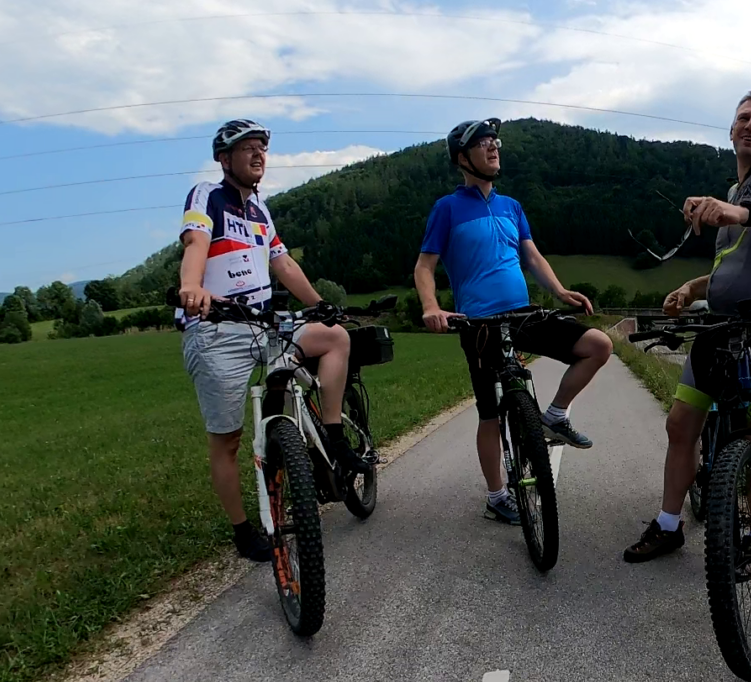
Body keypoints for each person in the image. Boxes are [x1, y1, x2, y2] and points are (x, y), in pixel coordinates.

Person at [622, 91, 751, 563]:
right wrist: (692, 288)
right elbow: (731, 266)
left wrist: (742, 213)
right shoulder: (734, 193)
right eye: (743, 119)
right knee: (680, 424)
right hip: (719, 326)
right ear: (731, 131)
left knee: (749, 431)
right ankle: (669, 525)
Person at [177, 118, 369, 562]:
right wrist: (192, 287)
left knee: (335, 338)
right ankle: (243, 530)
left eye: (262, 147)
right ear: (224, 159)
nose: (258, 154)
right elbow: (195, 243)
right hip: (217, 329)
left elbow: (283, 264)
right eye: (247, 147)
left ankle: (334, 436)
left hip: (265, 325)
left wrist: (321, 305)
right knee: (227, 440)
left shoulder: (261, 211)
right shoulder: (207, 195)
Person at [414, 118, 613, 525]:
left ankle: (555, 415)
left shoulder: (512, 206)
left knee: (598, 345)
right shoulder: (447, 208)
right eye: (482, 142)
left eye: (495, 141)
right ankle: (496, 496)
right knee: (489, 414)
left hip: (523, 316)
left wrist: (560, 291)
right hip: (478, 324)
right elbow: (424, 266)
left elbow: (532, 257)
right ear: (462, 158)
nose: (493, 147)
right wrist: (431, 307)